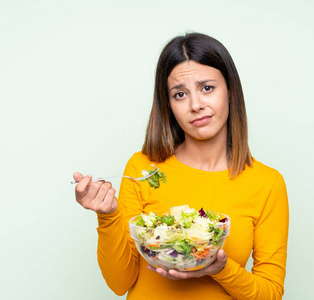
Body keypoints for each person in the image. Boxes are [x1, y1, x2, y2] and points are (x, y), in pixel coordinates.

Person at [73, 32, 289, 299]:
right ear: (169, 105)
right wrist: (108, 216)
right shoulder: (144, 169)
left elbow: (270, 293)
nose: (196, 105)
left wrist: (219, 268)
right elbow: (120, 283)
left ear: (230, 91)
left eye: (207, 88)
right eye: (180, 94)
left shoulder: (267, 183)